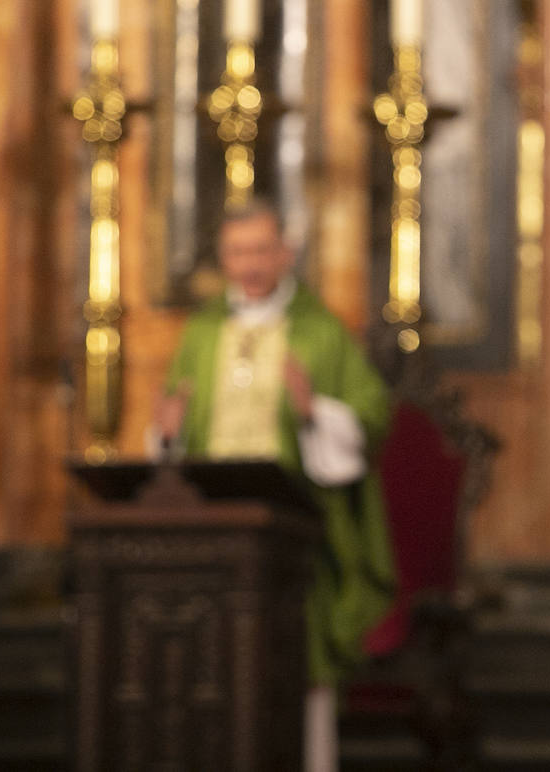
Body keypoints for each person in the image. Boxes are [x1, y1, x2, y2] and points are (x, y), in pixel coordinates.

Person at [155, 199, 394, 772]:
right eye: (238, 252)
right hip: (212, 530)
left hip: (293, 533)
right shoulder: (204, 330)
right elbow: (173, 419)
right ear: (223, 258)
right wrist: (167, 431)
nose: (251, 263)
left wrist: (315, 412)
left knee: (296, 659)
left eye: (262, 249)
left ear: (286, 253)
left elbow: (372, 416)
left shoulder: (319, 329)